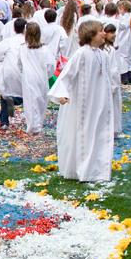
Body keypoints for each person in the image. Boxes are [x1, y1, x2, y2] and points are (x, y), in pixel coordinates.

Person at [48, 20, 114, 182]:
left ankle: (97, 169)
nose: (104, 33)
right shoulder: (81, 54)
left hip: (100, 101)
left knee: (99, 133)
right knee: (85, 133)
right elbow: (67, 75)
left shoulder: (103, 55)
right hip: (84, 102)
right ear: (90, 34)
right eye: (100, 31)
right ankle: (85, 170)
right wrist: (61, 94)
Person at [16, 22, 54, 134]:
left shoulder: (22, 48)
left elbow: (19, 64)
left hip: (29, 78)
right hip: (41, 78)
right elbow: (51, 65)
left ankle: (33, 125)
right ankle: (36, 125)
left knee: (30, 102)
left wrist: (23, 72)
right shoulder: (45, 49)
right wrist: (47, 75)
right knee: (41, 100)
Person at [0, 18, 27, 130]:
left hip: (10, 71)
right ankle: (30, 119)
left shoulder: (8, 41)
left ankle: (4, 122)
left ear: (14, 29)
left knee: (5, 93)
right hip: (25, 71)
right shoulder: (29, 41)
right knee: (27, 94)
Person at [102, 23, 123, 136]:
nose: (113, 35)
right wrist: (114, 85)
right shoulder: (108, 50)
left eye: (114, 32)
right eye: (110, 32)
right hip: (110, 83)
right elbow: (113, 70)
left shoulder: (109, 49)